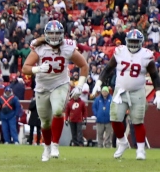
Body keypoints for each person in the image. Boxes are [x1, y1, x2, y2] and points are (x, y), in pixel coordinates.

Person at [23, 20, 89, 161]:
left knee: (58, 110)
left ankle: (55, 145)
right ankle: (47, 147)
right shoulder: (39, 47)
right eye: (51, 33)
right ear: (46, 34)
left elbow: (84, 65)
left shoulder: (67, 47)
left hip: (60, 84)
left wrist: (79, 86)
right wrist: (38, 69)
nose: (54, 36)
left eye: (57, 33)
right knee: (45, 122)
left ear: (62, 34)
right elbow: (25, 68)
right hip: (42, 87)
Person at [92, 29, 160, 160]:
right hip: (120, 91)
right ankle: (123, 142)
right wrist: (98, 83)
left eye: (136, 42)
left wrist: (158, 93)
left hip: (138, 91)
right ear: (127, 41)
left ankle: (141, 150)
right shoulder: (120, 52)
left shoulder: (146, 55)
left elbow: (155, 76)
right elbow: (108, 69)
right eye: (131, 41)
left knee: (137, 121)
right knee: (115, 119)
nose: (133, 44)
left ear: (141, 42)